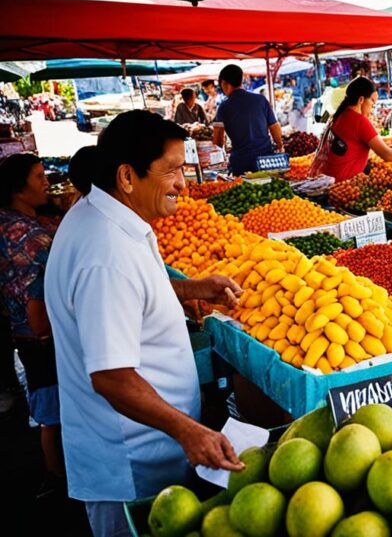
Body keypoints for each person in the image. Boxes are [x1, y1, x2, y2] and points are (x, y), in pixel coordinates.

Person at [44, 111, 245, 536]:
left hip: (148, 448)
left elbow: (133, 299)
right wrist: (189, 430)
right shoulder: (106, 254)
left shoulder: (107, 217)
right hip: (132, 463)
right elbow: (112, 377)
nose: (182, 184)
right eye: (171, 171)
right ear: (127, 177)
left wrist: (191, 290)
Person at [0, 154, 62, 495]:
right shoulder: (31, 236)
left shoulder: (7, 222)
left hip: (21, 331)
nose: (46, 181)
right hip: (42, 333)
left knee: (46, 401)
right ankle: (56, 476)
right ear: (18, 188)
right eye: (38, 176)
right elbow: (38, 294)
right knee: (53, 408)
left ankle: (55, 472)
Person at [325, 77, 392, 182]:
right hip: (346, 185)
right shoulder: (359, 121)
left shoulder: (341, 115)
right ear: (361, 100)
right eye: (372, 103)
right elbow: (388, 154)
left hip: (333, 179)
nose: (372, 108)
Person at [211, 64, 284, 176]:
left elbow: (218, 141)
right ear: (241, 80)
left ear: (224, 83)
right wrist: (280, 145)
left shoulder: (223, 107)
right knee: (269, 189)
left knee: (245, 192)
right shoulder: (260, 100)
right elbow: (274, 127)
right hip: (265, 160)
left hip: (241, 163)